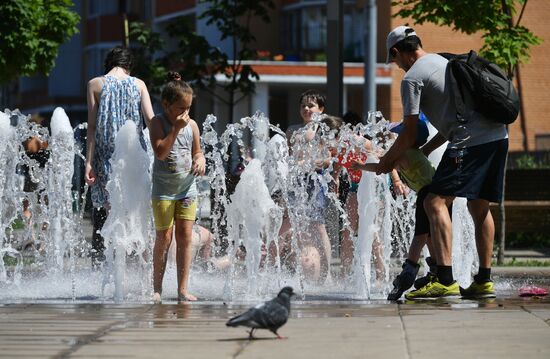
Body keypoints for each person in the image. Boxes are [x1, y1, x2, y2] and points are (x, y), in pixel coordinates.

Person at [377, 26, 508, 299]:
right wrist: (426, 150)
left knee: (433, 202)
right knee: (479, 203)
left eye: (395, 61)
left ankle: (445, 278)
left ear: (396, 52)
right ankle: (483, 280)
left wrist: (386, 161)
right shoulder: (444, 61)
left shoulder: (412, 78)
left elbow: (409, 132)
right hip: (498, 135)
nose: (397, 66)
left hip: (470, 142)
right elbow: (448, 128)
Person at [351, 114, 448, 300]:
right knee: (427, 236)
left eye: (399, 137)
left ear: (408, 139)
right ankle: (436, 270)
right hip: (435, 194)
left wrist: (361, 167)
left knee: (420, 236)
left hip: (428, 194)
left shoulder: (404, 154)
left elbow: (382, 167)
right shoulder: (413, 152)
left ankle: (408, 273)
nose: (395, 140)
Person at [85, 46, 154, 267]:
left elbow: (92, 127)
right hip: (136, 157)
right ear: (128, 65)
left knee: (114, 214)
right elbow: (151, 121)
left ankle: (118, 270)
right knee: (137, 213)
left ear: (109, 63)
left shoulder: (95, 84)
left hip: (107, 160)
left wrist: (88, 162)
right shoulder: (139, 84)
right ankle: (145, 267)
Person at [149, 72, 206, 302]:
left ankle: (182, 289)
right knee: (164, 237)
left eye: (189, 108)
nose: (186, 113)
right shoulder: (157, 123)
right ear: (166, 104)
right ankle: (157, 288)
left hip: (187, 190)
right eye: (181, 108)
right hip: (163, 191)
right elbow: (161, 152)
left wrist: (200, 159)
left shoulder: (192, 125)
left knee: (185, 237)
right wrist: (175, 129)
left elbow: (197, 151)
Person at [277, 90, 333, 283]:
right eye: (303, 106)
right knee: (286, 223)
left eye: (311, 105)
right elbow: (284, 158)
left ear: (321, 109)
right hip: (295, 182)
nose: (307, 109)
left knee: (318, 226)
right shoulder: (292, 130)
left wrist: (310, 163)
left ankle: (327, 272)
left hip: (315, 182)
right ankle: (272, 270)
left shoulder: (322, 130)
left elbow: (327, 159)